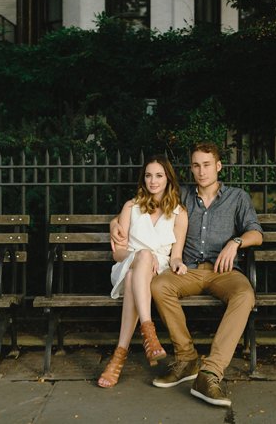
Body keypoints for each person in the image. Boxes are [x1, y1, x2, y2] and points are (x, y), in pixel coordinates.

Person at [111, 142, 263, 407]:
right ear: (191, 168)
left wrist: (236, 242)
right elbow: (144, 204)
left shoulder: (237, 197)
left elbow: (256, 234)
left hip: (223, 271)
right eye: (196, 165)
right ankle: (186, 359)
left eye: (207, 165)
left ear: (218, 166)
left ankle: (210, 372)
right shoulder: (180, 195)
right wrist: (114, 223)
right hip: (187, 270)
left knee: (245, 294)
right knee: (159, 286)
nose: (201, 171)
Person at [97, 155, 188, 388]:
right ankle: (148, 331)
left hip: (158, 272)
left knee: (133, 276)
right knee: (140, 260)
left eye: (158, 175)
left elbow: (175, 254)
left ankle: (118, 357)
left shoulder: (179, 213)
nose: (153, 181)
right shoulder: (131, 207)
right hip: (128, 262)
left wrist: (177, 263)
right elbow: (117, 253)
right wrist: (137, 256)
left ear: (168, 178)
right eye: (148, 175)